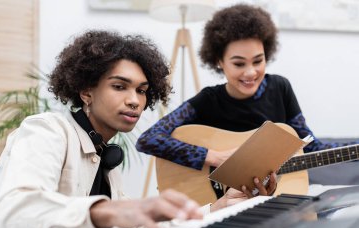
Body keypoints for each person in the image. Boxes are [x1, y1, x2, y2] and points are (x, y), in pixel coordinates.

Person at [0, 30, 206, 228]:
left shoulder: (105, 160)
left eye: (141, 90)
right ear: (87, 92)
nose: (135, 100)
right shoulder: (47, 130)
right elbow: (13, 216)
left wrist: (215, 209)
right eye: (119, 86)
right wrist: (110, 211)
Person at [136, 4, 353, 199]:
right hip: (220, 206)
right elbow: (148, 139)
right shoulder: (209, 100)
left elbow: (310, 145)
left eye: (258, 61)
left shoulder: (280, 88)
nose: (250, 72)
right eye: (239, 64)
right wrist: (216, 158)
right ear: (219, 61)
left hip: (267, 202)